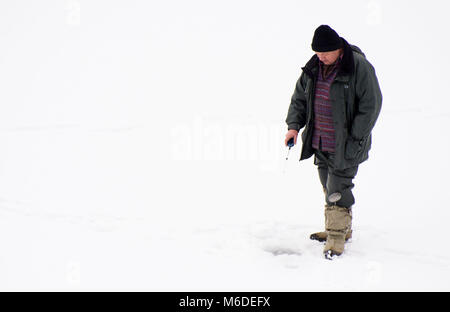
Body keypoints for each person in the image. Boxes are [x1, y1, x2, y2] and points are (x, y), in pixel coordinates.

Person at [284, 25, 382, 259]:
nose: (321, 57)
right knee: (329, 186)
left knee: (337, 189)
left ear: (338, 48)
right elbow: (299, 99)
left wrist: (354, 136)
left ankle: (336, 237)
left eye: (325, 53)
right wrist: (293, 127)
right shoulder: (313, 68)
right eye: (317, 53)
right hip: (320, 140)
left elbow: (371, 105)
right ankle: (338, 228)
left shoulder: (358, 67)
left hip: (345, 144)